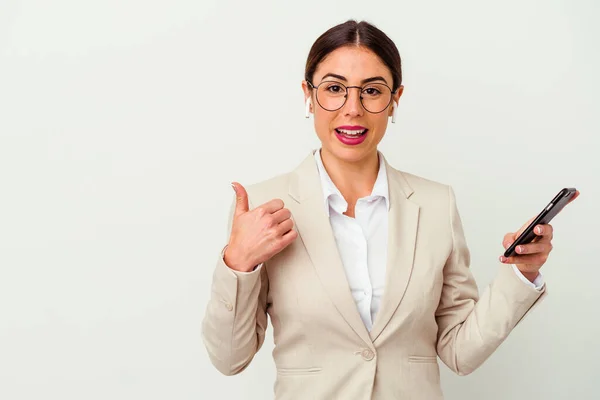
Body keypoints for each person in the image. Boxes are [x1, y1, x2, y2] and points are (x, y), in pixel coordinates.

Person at [201, 19, 579, 400]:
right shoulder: (263, 207)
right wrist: (237, 262)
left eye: (372, 91)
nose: (353, 109)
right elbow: (229, 358)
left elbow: (460, 351)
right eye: (334, 89)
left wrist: (523, 273)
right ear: (308, 95)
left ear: (395, 99)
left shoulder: (436, 205)